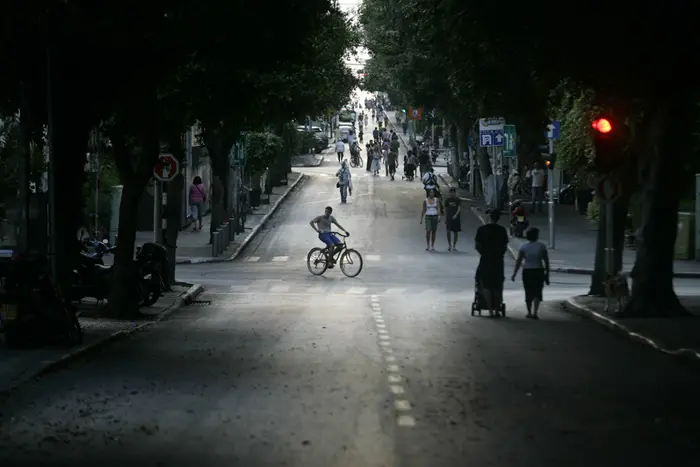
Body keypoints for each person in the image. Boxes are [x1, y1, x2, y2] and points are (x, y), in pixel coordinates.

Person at [474, 210, 509, 317]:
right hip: (498, 260)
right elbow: (505, 246)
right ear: (498, 218)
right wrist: (499, 254)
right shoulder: (502, 230)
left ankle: (490, 309)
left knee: (486, 284)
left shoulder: (482, 229)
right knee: (497, 285)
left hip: (485, 260)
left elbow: (477, 245)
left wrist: (484, 253)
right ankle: (497, 309)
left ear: (489, 217)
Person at [511, 227, 550, 319]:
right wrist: (547, 275)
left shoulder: (524, 247)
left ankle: (529, 312)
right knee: (538, 291)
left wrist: (514, 274)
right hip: (538, 270)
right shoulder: (541, 246)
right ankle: (535, 312)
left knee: (528, 291)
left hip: (527, 271)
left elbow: (519, 261)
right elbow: (546, 261)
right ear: (536, 236)